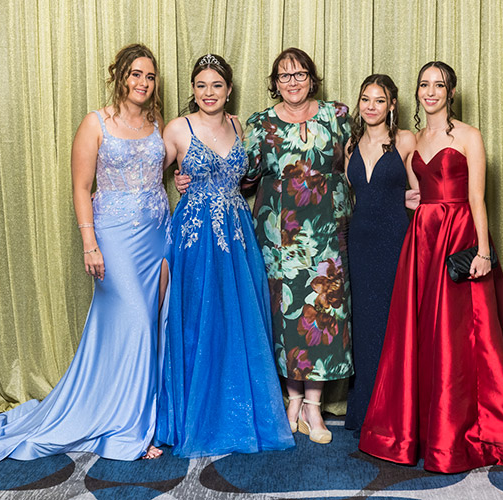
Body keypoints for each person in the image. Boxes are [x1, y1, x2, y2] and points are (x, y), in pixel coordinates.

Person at [0, 43, 169, 461]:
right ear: (120, 76)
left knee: (154, 324)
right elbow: (80, 188)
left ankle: (146, 417)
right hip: (112, 237)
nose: (142, 83)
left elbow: (154, 173)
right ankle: (125, 429)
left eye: (149, 76)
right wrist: (89, 244)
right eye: (135, 74)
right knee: (135, 326)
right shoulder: (95, 123)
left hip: (156, 234)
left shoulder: (155, 120)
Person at [359, 61, 503, 473]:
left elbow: (476, 198)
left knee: (465, 335)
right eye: (424, 85)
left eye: (439, 85)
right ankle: (423, 423)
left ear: (451, 92)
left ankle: (463, 428)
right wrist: (408, 202)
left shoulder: (470, 135)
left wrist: (483, 251)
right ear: (416, 93)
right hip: (422, 239)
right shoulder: (411, 139)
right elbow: (413, 191)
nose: (430, 92)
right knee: (423, 332)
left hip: (459, 234)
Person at [156, 53, 294, 457]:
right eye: (201, 85)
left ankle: (235, 413)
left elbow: (248, 177)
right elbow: (150, 173)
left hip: (236, 235)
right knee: (200, 320)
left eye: (216, 85)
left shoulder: (239, 125)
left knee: (237, 322)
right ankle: (196, 415)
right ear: (193, 90)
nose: (209, 92)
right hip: (196, 236)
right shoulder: (177, 128)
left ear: (229, 90)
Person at [242, 48, 353, 445]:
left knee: (323, 312)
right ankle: (292, 402)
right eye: (284, 75)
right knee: (286, 314)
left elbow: (356, 164)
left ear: (312, 78)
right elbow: (246, 177)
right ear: (275, 82)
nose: (292, 81)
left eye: (300, 74)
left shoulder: (337, 116)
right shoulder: (260, 123)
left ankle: (314, 407)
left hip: (325, 228)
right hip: (278, 232)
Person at [343, 74, 419, 433]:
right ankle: (364, 410)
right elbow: (353, 196)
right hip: (359, 243)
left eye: (379, 100)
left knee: (395, 323)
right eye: (365, 99)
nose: (371, 106)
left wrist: (402, 198)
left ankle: (396, 411)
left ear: (392, 106)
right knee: (365, 324)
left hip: (395, 241)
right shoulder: (350, 146)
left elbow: (423, 192)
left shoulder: (405, 141)